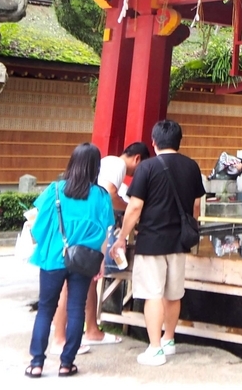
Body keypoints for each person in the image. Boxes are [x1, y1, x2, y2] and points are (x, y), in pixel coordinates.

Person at [110, 120, 207, 367]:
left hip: (152, 241)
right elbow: (196, 206)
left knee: (153, 294)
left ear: (153, 142)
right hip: (179, 242)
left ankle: (154, 349)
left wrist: (122, 237)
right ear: (179, 141)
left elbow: (135, 207)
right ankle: (169, 340)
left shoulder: (147, 168)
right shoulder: (191, 167)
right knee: (174, 294)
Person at [25, 143, 114, 378]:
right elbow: (104, 232)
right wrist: (101, 261)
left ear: (72, 163)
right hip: (83, 261)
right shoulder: (101, 196)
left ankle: (36, 363)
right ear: (96, 167)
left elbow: (37, 227)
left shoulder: (54, 190)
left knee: (45, 309)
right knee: (76, 309)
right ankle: (66, 363)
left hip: (52, 258)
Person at [52, 141, 150, 350]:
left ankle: (91, 330)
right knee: (71, 287)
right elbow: (109, 194)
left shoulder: (111, 167)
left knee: (89, 283)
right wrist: (131, 209)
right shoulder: (117, 164)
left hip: (85, 233)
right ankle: (60, 338)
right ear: (137, 159)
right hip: (91, 234)